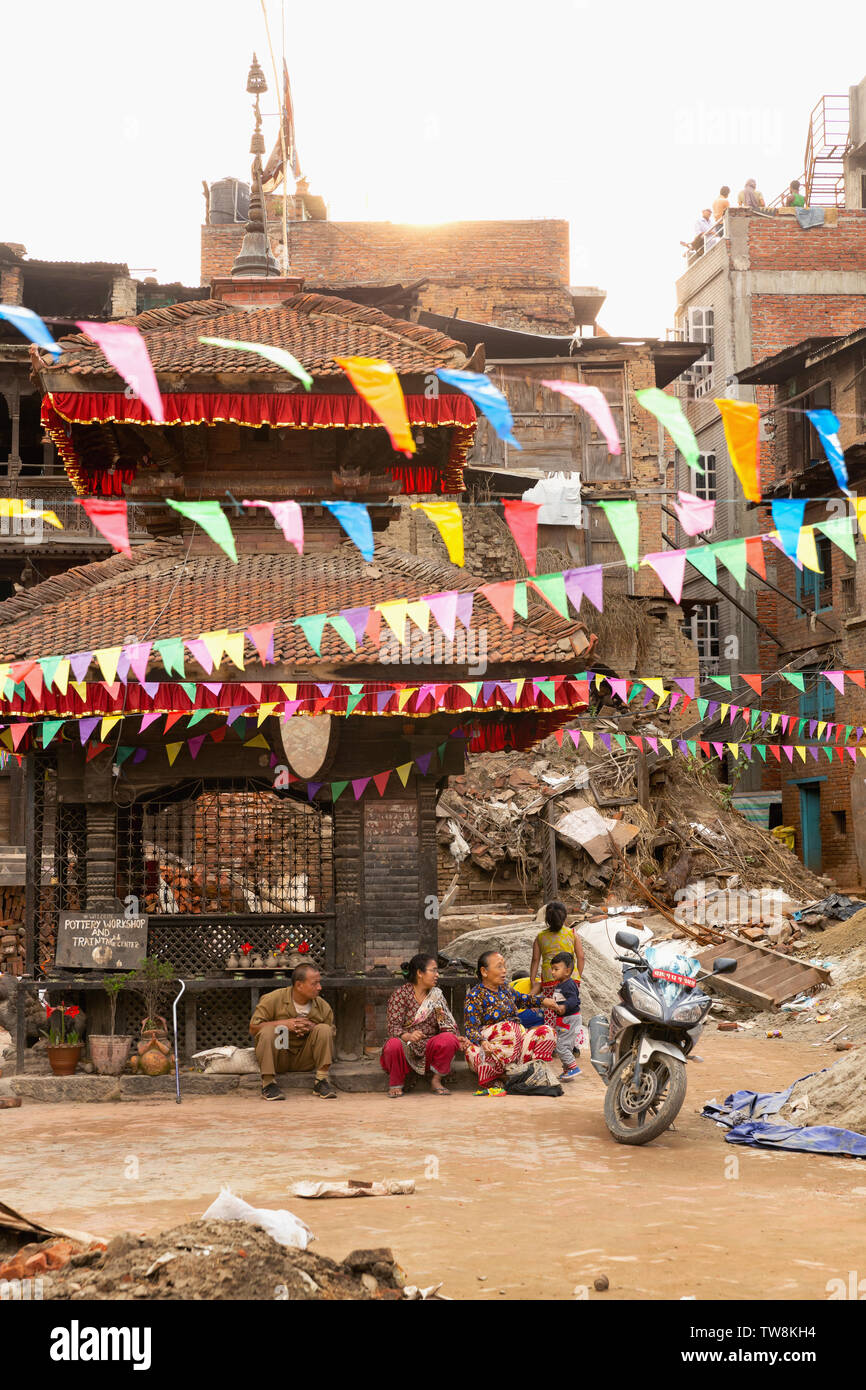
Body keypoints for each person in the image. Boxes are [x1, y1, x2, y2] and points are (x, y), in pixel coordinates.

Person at [463, 951, 557, 1094]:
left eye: (504, 966)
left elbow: (522, 999)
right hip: (494, 1050)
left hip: (518, 1049)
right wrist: (482, 1042)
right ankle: (499, 1076)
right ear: (484, 971)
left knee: (547, 1032)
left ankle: (525, 1072)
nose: (504, 971)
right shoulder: (474, 996)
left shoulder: (505, 988)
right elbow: (471, 1029)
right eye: (499, 966)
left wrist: (544, 1001)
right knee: (475, 1050)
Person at [249, 962, 337, 1101]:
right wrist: (283, 1024)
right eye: (314, 984)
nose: (319, 987)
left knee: (324, 1029)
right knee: (267, 1030)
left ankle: (321, 1081)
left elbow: (331, 1032)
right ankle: (268, 1083)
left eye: (319, 983)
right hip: (280, 1055)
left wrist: (312, 1028)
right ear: (299, 985)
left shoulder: (322, 1005)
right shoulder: (273, 999)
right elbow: (254, 1028)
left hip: (306, 1058)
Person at [380, 954, 462, 1098]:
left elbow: (445, 1024)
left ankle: (436, 1080)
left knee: (449, 1038)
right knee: (393, 1044)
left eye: (437, 971)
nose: (437, 975)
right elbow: (393, 1027)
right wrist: (408, 1036)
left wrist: (456, 1038)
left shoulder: (436, 996)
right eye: (433, 970)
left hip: (429, 1046)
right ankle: (396, 1083)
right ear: (419, 973)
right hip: (407, 1045)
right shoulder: (400, 995)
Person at [529, 900, 585, 1018]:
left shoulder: (541, 937)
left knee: (552, 1009)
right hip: (570, 977)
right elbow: (581, 957)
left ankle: (552, 1031)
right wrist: (576, 975)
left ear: (547, 919)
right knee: (570, 1008)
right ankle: (571, 1031)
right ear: (564, 917)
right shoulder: (572, 933)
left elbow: (535, 960)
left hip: (550, 978)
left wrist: (533, 980)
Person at [544, 951, 583, 1081]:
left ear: (567, 971)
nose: (553, 972)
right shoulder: (561, 984)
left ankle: (573, 1067)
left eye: (556, 969)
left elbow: (573, 1000)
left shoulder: (569, 984)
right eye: (552, 969)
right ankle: (567, 1070)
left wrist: (563, 1007)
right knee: (563, 1044)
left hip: (570, 1019)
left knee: (562, 1046)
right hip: (564, 1020)